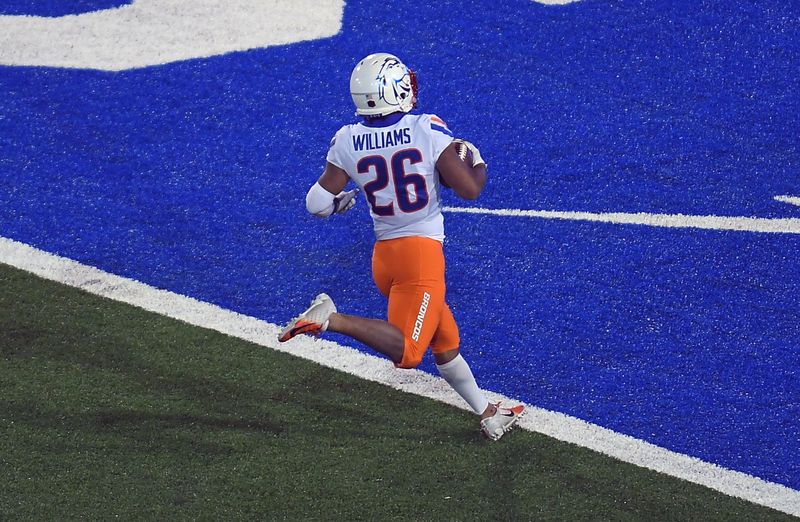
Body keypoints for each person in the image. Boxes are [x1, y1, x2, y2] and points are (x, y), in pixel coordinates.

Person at [278, 53, 524, 441]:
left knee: (446, 341)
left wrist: (339, 202)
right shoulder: (426, 128)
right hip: (420, 258)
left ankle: (489, 412)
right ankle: (332, 318)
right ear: (394, 90)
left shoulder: (347, 140)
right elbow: (469, 188)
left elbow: (316, 204)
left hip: (385, 257)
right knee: (409, 352)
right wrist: (477, 159)